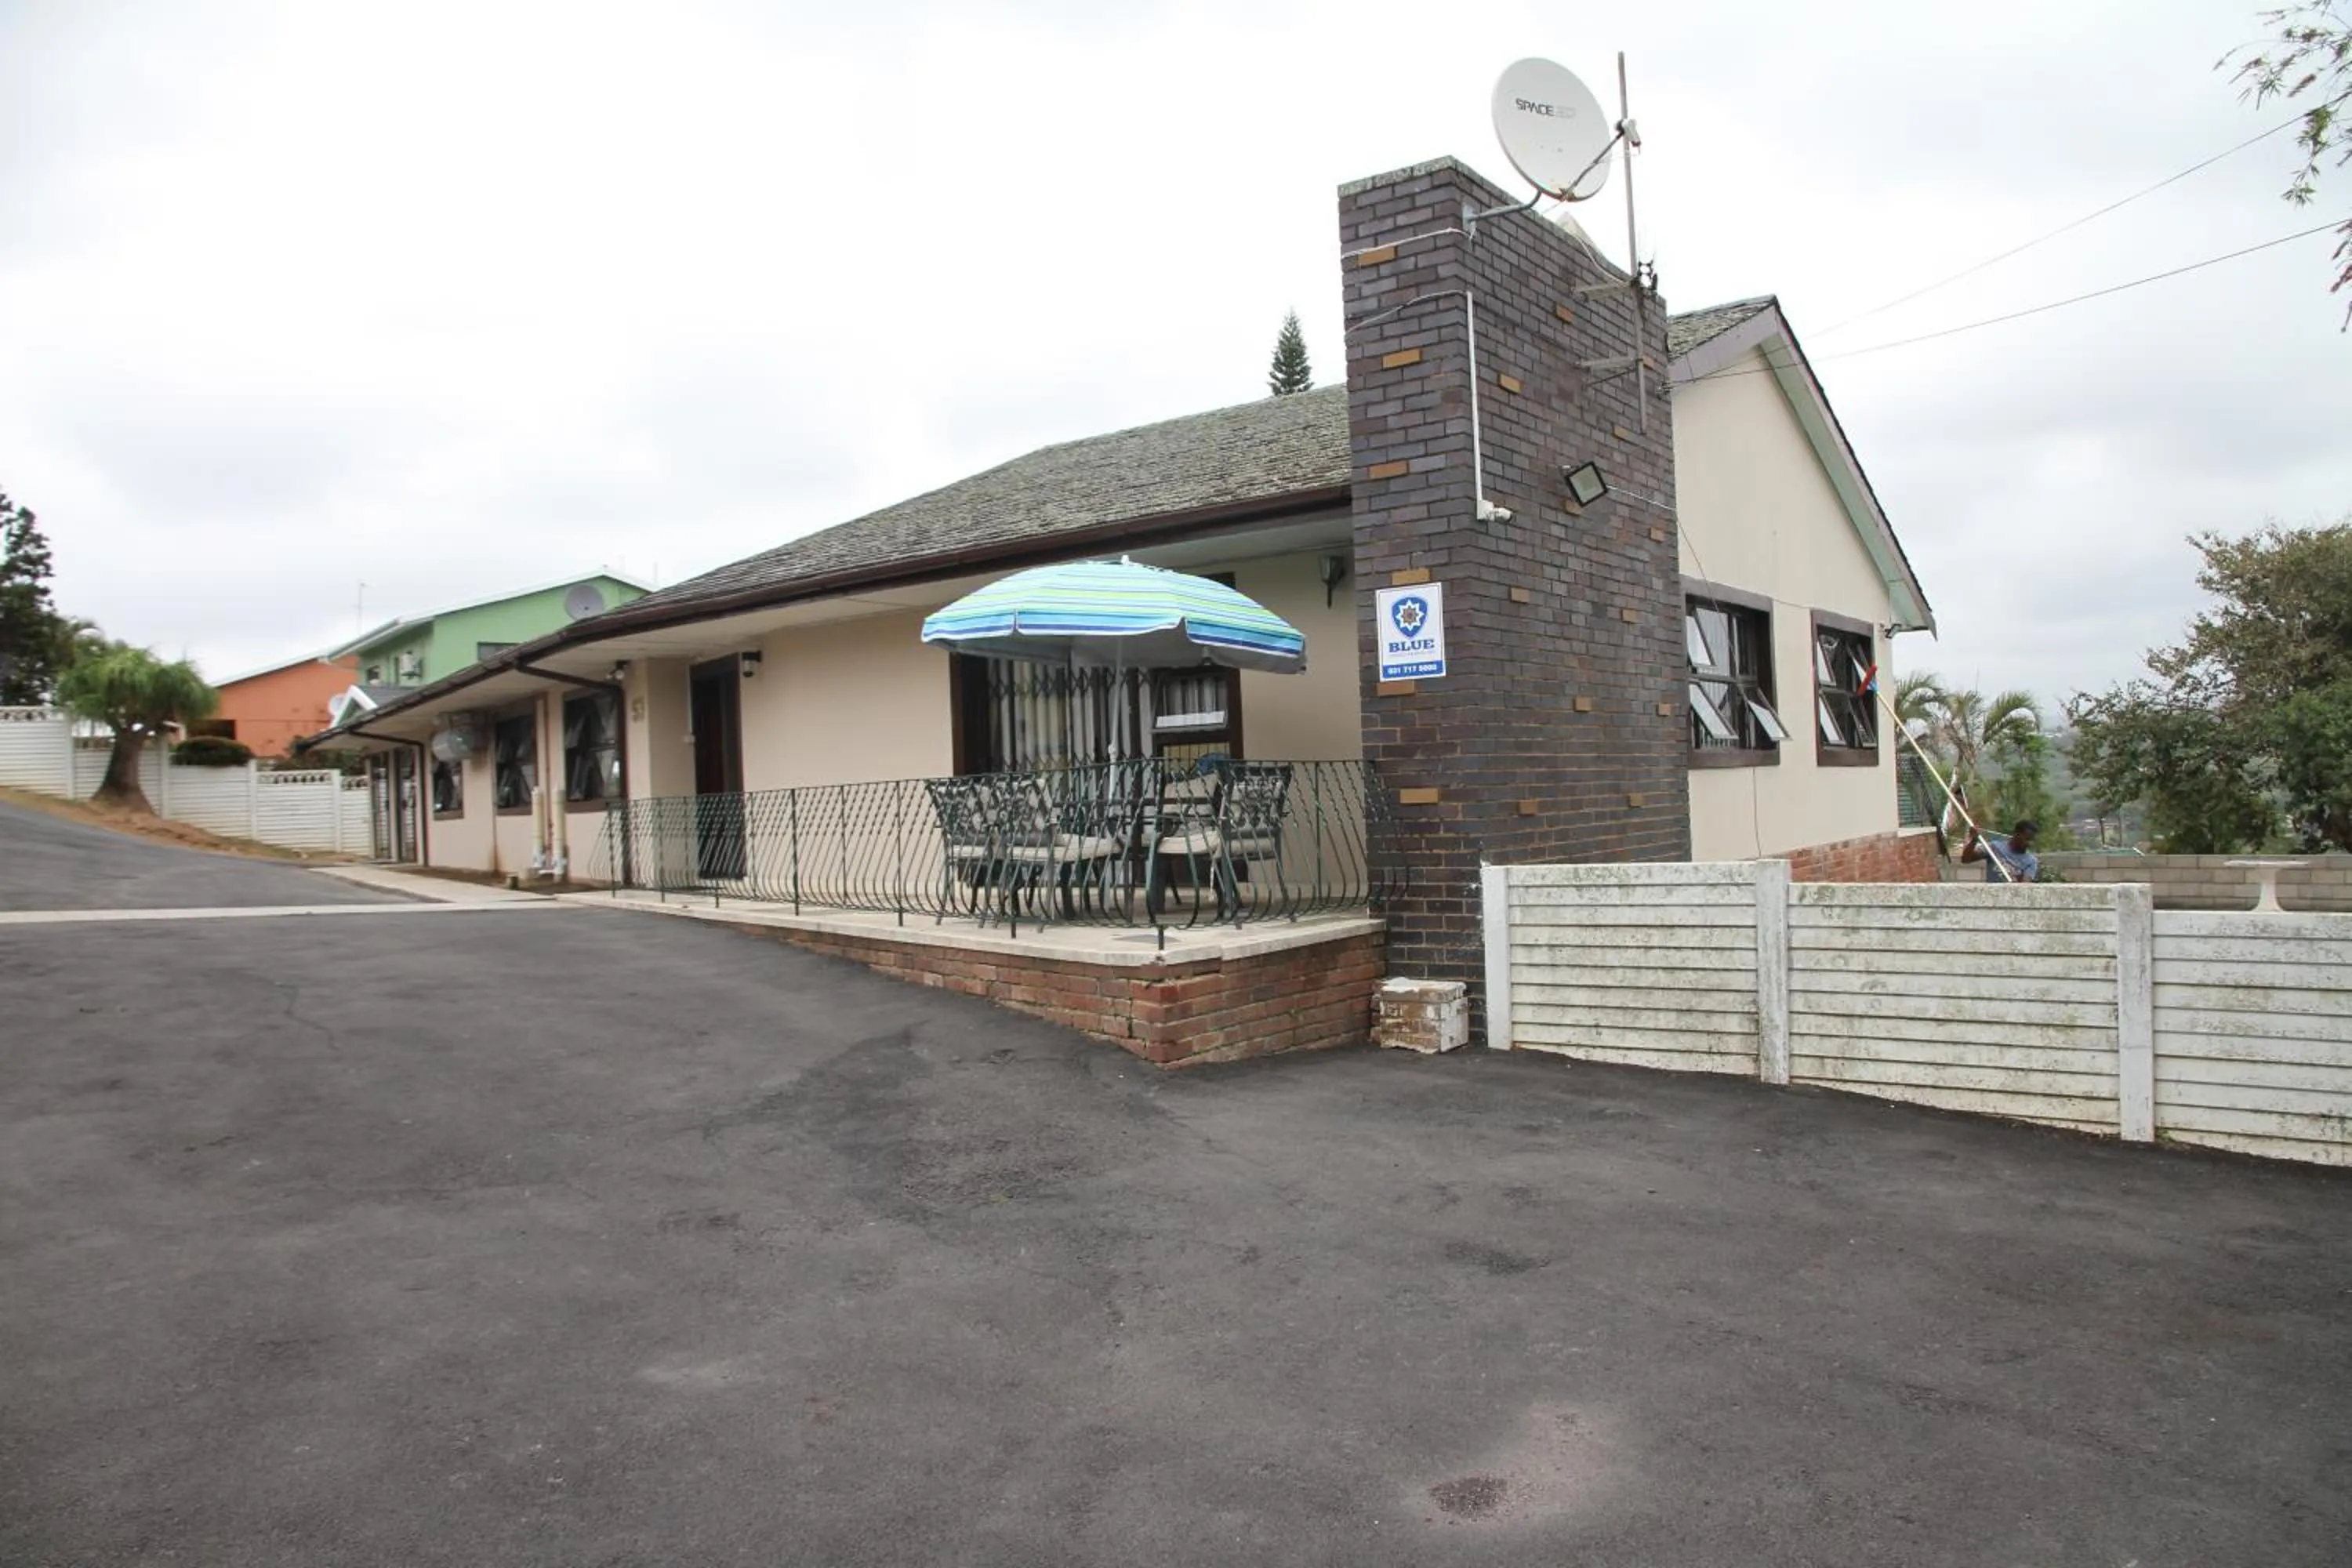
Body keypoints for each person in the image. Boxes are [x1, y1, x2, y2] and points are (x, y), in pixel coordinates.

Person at [1963, 819, 2040, 884]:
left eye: (2033, 840)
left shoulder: (2031, 861)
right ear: (2016, 835)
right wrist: (1974, 840)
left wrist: (2018, 882)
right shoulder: (1994, 847)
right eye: (2027, 839)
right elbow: (1966, 859)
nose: (2030, 844)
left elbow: (2024, 887)